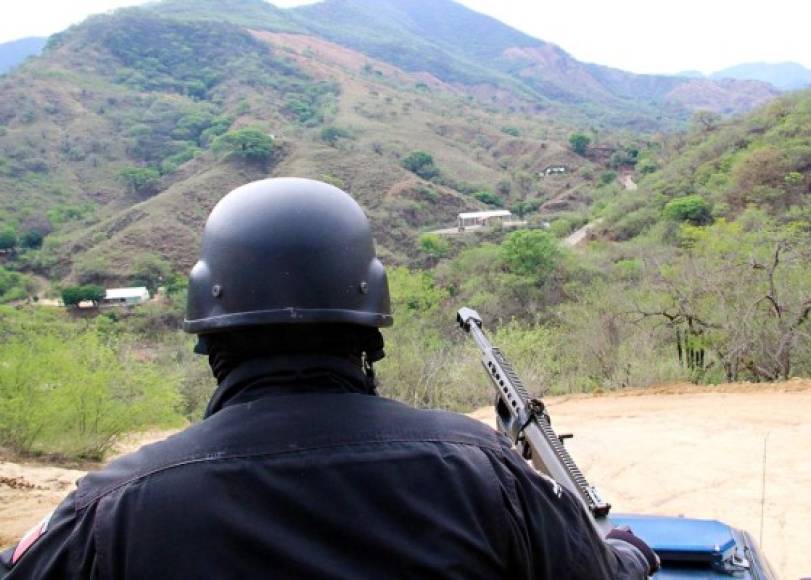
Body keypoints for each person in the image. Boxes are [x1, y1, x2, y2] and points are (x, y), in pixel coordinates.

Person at [1, 178, 658, 579]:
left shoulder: (111, 506)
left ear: (207, 331)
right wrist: (624, 550)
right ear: (369, 325)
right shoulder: (480, 469)